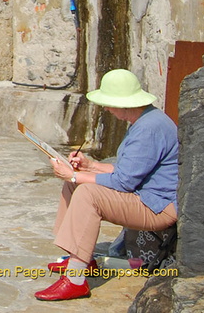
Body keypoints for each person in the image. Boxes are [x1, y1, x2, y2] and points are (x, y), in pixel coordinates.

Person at [34, 68, 178, 301]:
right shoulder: (144, 121)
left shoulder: (149, 128)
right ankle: (80, 258)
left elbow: (124, 182)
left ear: (123, 104)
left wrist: (73, 175)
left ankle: (75, 280)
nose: (106, 109)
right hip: (146, 197)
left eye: (108, 103)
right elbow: (129, 170)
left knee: (88, 193)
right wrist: (89, 167)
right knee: (76, 186)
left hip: (157, 207)